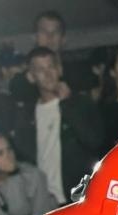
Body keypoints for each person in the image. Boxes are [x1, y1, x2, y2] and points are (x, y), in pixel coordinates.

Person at [13, 47, 102, 206]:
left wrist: (68, 105)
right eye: (40, 70)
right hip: (44, 201)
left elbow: (95, 141)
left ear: (59, 69)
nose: (48, 74)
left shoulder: (80, 103)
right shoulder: (26, 115)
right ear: (32, 77)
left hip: (79, 197)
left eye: (51, 67)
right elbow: (23, 156)